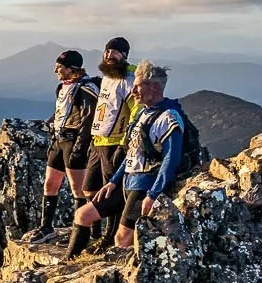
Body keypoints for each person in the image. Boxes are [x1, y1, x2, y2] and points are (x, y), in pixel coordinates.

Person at [75, 61, 185, 252]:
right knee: (82, 215)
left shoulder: (169, 118)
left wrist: (153, 194)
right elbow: (134, 151)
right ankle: (71, 262)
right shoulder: (142, 114)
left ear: (155, 87)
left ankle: (130, 275)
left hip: (143, 187)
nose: (133, 91)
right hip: (126, 182)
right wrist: (113, 181)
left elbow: (170, 160)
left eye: (137, 86)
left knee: (122, 239)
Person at [26, 48, 99, 243]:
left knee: (79, 190)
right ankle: (46, 227)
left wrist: (80, 148)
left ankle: (81, 231)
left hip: (74, 141)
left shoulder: (86, 88)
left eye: (59, 67)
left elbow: (88, 120)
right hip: (59, 140)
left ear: (70, 69)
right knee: (51, 183)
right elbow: (60, 112)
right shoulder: (62, 87)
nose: (55, 71)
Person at [72, 36, 136, 257]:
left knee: (110, 191)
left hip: (115, 143)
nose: (109, 55)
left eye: (115, 52)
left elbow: (136, 112)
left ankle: (109, 237)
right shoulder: (106, 78)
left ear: (125, 56)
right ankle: (97, 232)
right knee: (89, 188)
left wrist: (126, 143)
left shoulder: (128, 79)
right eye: (107, 51)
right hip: (98, 142)